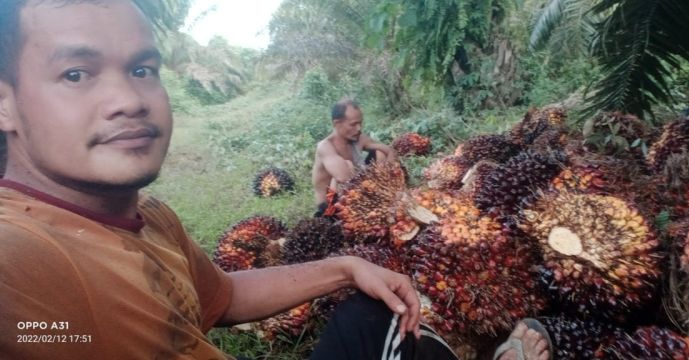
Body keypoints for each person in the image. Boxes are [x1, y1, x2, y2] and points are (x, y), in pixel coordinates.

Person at [0, 1, 551, 359]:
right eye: (76, 73)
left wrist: (346, 267)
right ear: (5, 103)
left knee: (372, 314)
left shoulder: (152, 217)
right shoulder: (22, 258)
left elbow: (224, 297)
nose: (127, 99)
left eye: (143, 69)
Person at [312, 99, 397, 216]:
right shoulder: (325, 147)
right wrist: (373, 187)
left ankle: (385, 196)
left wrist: (390, 176)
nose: (358, 128)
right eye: (353, 124)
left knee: (379, 153)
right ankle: (374, 203)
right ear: (337, 124)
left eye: (360, 123)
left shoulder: (358, 138)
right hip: (331, 208)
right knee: (347, 166)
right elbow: (344, 178)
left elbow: (389, 151)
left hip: (357, 193)